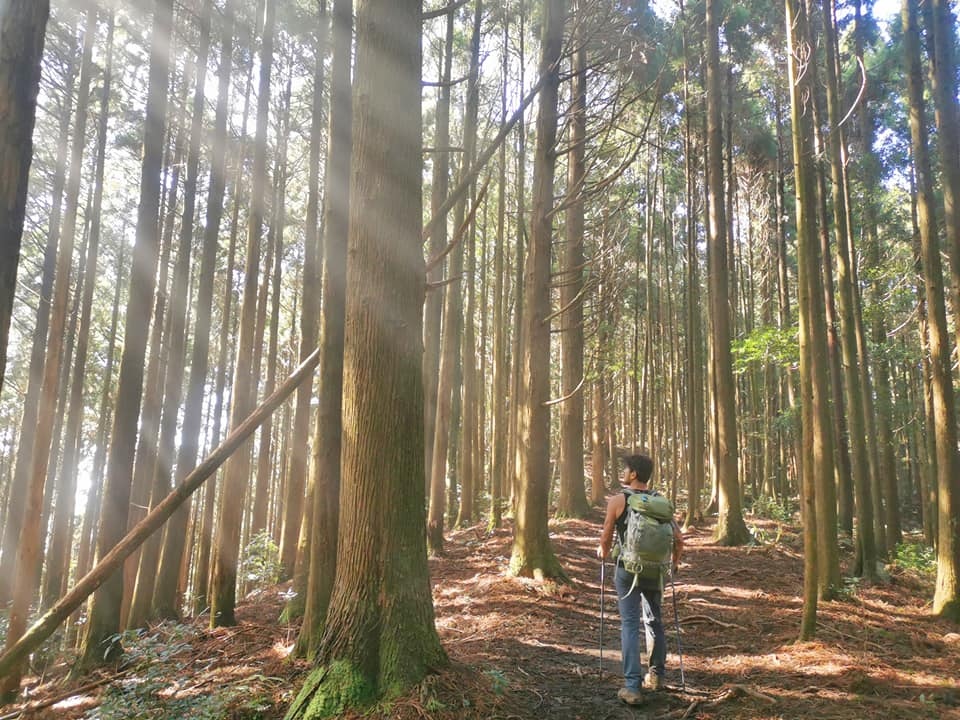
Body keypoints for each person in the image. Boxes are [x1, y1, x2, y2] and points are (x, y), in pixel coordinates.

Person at [597, 453, 683, 706]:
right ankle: (657, 677)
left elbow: (606, 536)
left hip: (627, 569)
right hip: (656, 570)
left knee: (630, 624)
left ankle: (632, 687)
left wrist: (602, 551)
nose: (624, 473)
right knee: (655, 620)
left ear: (633, 474)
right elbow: (679, 540)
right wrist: (673, 564)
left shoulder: (618, 500)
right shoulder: (661, 502)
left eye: (626, 469)